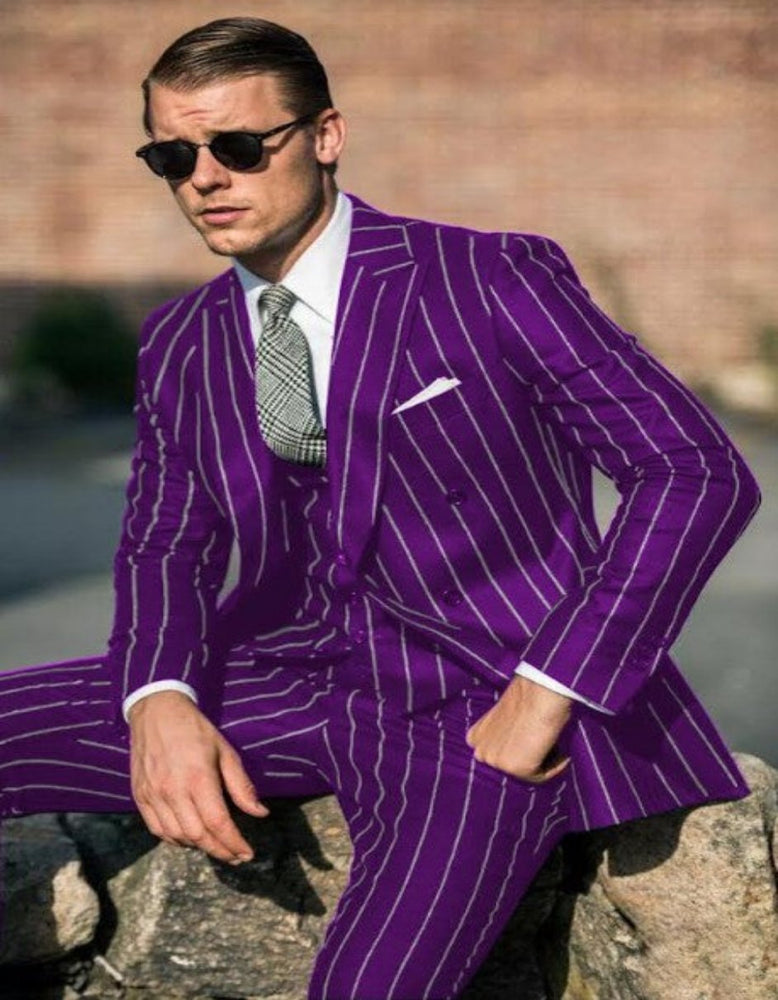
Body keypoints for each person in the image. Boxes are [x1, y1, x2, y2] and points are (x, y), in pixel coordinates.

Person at [0, 16, 762, 1000]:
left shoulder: (484, 277)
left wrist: (546, 692)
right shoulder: (181, 340)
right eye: (172, 156)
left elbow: (692, 471)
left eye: (239, 146)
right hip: (281, 673)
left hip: (475, 703)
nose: (205, 178)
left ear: (326, 136)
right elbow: (163, 545)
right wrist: (160, 699)